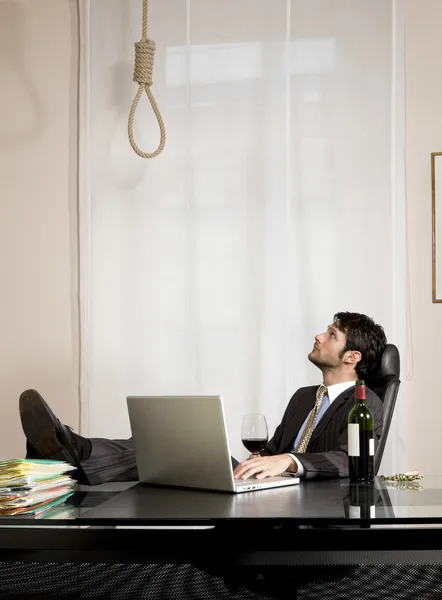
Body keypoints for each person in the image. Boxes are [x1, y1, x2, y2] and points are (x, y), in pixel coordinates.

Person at [19, 311, 386, 486]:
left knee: (170, 455)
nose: (319, 336)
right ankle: (72, 449)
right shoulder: (305, 396)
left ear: (351, 357)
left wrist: (287, 462)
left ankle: (65, 458)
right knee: (169, 446)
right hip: (264, 485)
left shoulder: (366, 402)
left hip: (303, 501)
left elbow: (348, 460)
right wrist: (263, 457)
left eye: (332, 334)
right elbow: (272, 448)